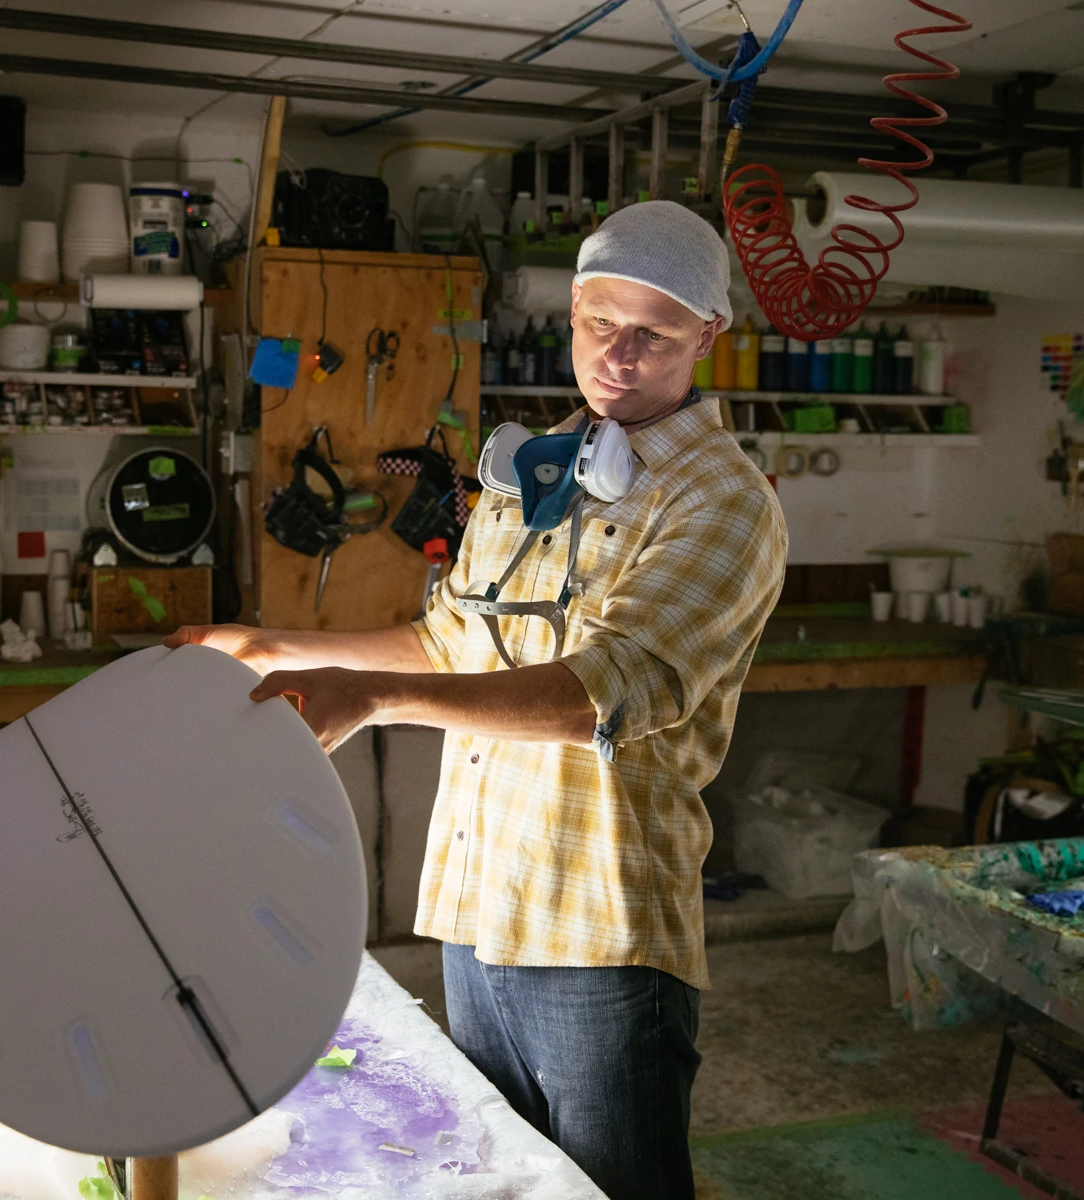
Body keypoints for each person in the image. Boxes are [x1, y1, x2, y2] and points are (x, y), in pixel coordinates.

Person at [167, 200, 787, 1200]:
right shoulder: (535, 470)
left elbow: (605, 689)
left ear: (708, 337)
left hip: (598, 924)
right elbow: (453, 639)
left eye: (655, 336)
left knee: (611, 1186)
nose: (619, 357)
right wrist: (270, 642)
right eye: (600, 324)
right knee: (505, 1180)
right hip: (472, 905)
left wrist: (368, 698)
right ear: (574, 309)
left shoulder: (720, 499)